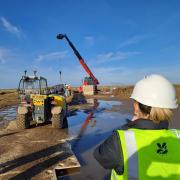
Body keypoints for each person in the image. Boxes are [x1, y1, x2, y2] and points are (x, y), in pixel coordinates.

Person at [94, 74, 180, 179]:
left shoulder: (121, 140)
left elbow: (100, 155)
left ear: (137, 106)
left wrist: (128, 126)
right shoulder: (177, 136)